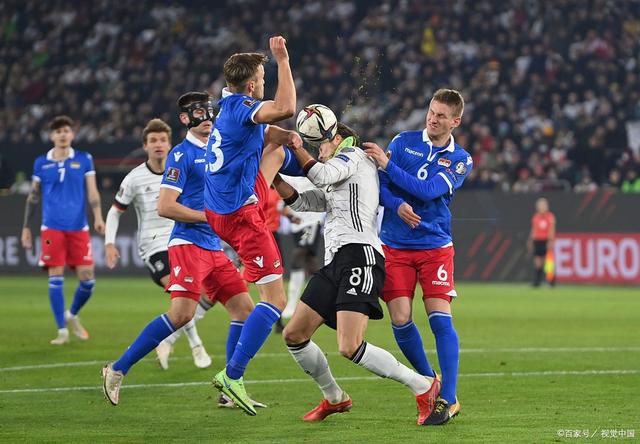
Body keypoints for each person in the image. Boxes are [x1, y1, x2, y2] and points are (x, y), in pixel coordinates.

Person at [275, 121, 440, 425]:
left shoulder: (353, 156)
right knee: (294, 335)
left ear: (338, 138)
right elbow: (306, 201)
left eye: (321, 145)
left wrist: (296, 148)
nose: (319, 152)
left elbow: (321, 173)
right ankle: (334, 398)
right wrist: (275, 178)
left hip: (360, 255)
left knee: (349, 346)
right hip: (337, 260)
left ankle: (424, 385)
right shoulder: (342, 173)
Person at [101, 92, 259, 408]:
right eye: (201, 112)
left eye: (211, 111)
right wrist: (211, 216)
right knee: (182, 314)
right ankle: (117, 369)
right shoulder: (180, 155)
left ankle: (230, 387)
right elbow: (165, 207)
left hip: (213, 246)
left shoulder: (219, 149)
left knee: (243, 309)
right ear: (186, 119)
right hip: (187, 244)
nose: (209, 118)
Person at [203, 36, 303, 416]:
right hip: (240, 215)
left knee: (276, 150)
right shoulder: (245, 106)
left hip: (221, 206)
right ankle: (233, 374)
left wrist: (290, 138)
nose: (263, 82)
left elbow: (267, 135)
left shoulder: (226, 107)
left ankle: (248, 268)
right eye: (262, 77)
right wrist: (283, 59)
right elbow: (286, 107)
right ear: (251, 86)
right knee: (276, 301)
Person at [363, 88, 472, 426]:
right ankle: (429, 382)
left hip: (435, 247)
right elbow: (379, 186)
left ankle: (450, 399)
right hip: (394, 246)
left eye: (441, 115)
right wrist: (396, 204)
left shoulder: (460, 159)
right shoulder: (403, 140)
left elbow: (428, 191)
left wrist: (387, 163)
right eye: (431, 111)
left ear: (455, 121)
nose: (433, 118)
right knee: (400, 319)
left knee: (440, 318)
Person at [104, 118, 214, 369]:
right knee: (183, 297)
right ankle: (197, 346)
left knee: (209, 295)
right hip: (154, 247)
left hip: (184, 239)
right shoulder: (134, 178)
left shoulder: (182, 168)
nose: (158, 145)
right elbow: (115, 211)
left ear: (169, 144)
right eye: (153, 140)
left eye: (162, 140)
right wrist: (110, 243)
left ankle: (168, 340)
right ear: (145, 146)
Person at [21, 115, 105, 345]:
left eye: (66, 130)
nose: (63, 134)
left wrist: (98, 217)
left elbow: (93, 191)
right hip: (52, 228)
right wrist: (27, 227)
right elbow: (34, 196)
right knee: (55, 276)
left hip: (79, 227)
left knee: (88, 279)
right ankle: (62, 331)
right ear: (52, 136)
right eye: (58, 131)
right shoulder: (41, 162)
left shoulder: (83, 158)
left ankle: (72, 314)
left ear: (72, 134)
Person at [280, 175, 324, 320]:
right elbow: (282, 203)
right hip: (297, 224)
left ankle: (292, 305)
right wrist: (287, 213)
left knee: (298, 256)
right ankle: (326, 297)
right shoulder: (289, 175)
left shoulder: (315, 174)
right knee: (311, 263)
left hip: (312, 222)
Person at [527, 197, 556, 287]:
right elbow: (533, 230)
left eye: (543, 205)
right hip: (537, 241)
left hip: (546, 240)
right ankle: (537, 282)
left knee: (548, 263)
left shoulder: (550, 217)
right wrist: (530, 240)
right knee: (537, 262)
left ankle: (551, 282)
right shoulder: (536, 217)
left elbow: (551, 230)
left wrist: (551, 241)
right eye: (540, 205)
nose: (541, 207)